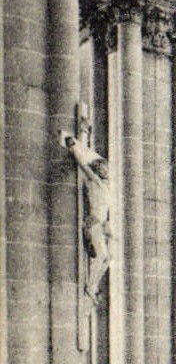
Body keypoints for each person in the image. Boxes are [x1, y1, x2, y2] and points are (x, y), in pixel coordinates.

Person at [62, 129, 112, 303]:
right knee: (103, 257)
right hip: (93, 223)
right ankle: (91, 287)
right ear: (99, 170)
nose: (106, 171)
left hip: (99, 224)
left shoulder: (106, 187)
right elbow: (83, 164)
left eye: (107, 169)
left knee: (106, 258)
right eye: (103, 168)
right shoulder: (96, 181)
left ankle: (93, 286)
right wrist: (74, 147)